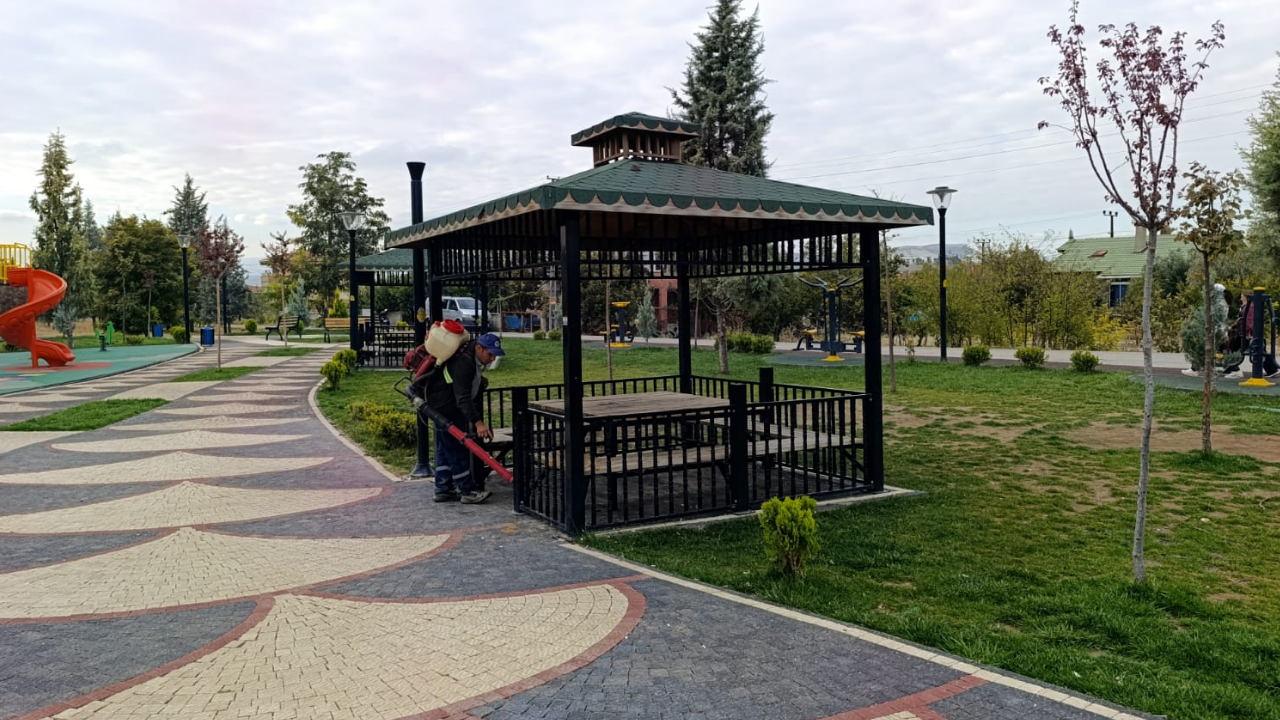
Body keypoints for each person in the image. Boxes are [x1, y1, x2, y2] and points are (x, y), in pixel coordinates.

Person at [423, 332, 505, 504]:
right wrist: (479, 423)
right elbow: (463, 398)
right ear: (479, 348)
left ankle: (443, 488)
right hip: (447, 408)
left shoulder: (468, 354)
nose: (491, 359)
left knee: (445, 448)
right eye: (489, 354)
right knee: (456, 448)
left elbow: (461, 381)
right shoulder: (464, 362)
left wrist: (478, 380)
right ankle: (467, 491)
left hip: (441, 405)